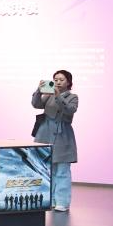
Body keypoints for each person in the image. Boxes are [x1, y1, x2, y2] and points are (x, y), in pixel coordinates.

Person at [32, 69, 79, 212]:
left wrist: (58, 96)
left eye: (61, 80)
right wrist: (39, 91)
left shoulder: (73, 97)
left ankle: (62, 202)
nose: (58, 82)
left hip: (62, 134)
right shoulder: (48, 95)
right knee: (47, 169)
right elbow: (36, 104)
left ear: (68, 82)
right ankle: (50, 200)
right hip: (44, 134)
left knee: (62, 170)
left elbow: (70, 110)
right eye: (56, 79)